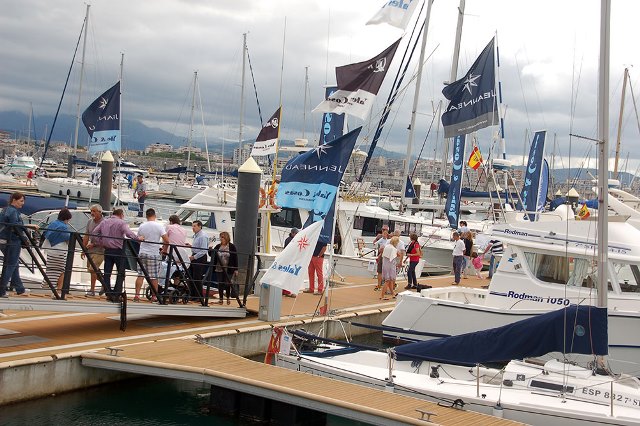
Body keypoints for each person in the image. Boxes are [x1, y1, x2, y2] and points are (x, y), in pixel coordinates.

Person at [88, 208, 140, 302]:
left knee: (107, 273)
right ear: (121, 215)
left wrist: (100, 242)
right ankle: (116, 293)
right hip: (118, 250)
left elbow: (94, 233)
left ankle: (108, 293)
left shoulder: (104, 222)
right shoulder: (121, 223)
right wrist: (137, 238)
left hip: (107, 250)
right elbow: (128, 233)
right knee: (121, 273)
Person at [134, 209, 169, 302]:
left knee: (140, 275)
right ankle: (154, 296)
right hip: (153, 253)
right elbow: (166, 240)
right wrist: (164, 249)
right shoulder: (159, 226)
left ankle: (137, 295)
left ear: (146, 216)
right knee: (154, 276)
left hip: (142, 252)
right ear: (155, 215)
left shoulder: (142, 226)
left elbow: (138, 239)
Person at [0, 192, 31, 297]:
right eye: (21, 201)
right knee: (10, 265)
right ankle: (1, 290)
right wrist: (24, 239)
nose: (22, 204)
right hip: (12, 241)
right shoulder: (13, 212)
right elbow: (16, 227)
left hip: (3, 240)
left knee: (14, 264)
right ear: (14, 200)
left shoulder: (5, 210)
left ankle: (19, 288)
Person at [42, 208, 73, 296]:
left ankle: (52, 288)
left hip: (50, 250)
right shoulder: (63, 226)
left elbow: (46, 233)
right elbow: (67, 238)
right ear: (66, 218)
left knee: (51, 270)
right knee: (61, 271)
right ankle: (58, 291)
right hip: (60, 251)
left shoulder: (52, 223)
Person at [211, 231, 242, 307]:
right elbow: (212, 254)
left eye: (222, 237)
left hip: (229, 268)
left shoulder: (231, 246)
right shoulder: (218, 246)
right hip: (219, 268)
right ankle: (221, 299)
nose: (221, 239)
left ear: (226, 238)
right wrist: (210, 249)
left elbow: (235, 258)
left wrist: (236, 269)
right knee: (220, 283)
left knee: (227, 284)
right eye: (220, 237)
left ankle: (228, 297)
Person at [82, 204, 104, 297]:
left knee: (93, 269)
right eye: (91, 211)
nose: (92, 213)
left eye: (94, 211)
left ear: (100, 212)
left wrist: (94, 244)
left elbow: (105, 238)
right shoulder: (89, 222)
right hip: (90, 249)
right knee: (90, 269)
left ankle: (92, 290)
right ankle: (104, 283)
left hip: (100, 249)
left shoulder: (104, 222)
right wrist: (83, 249)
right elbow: (86, 235)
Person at [187, 220, 209, 299]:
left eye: (194, 226)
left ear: (199, 226)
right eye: (192, 226)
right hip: (195, 256)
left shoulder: (203, 236)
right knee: (191, 276)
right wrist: (191, 246)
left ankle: (198, 296)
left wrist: (194, 257)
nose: (193, 228)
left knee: (197, 277)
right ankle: (193, 294)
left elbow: (203, 250)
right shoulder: (197, 235)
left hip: (200, 258)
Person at [282, 228, 299, 298]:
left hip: (287, 259)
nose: (297, 234)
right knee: (288, 275)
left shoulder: (288, 239)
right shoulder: (291, 240)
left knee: (286, 275)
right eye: (296, 233)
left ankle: (284, 290)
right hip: (289, 260)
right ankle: (286, 291)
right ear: (293, 233)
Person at [373, 225, 390, 291]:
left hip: (385, 255)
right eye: (383, 229)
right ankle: (380, 284)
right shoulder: (379, 236)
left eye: (385, 230)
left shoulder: (390, 237)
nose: (384, 231)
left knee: (382, 270)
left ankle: (382, 283)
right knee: (380, 270)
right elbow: (374, 242)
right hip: (381, 254)